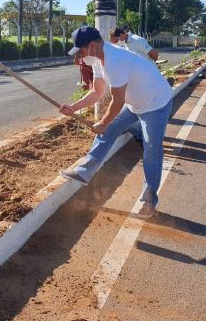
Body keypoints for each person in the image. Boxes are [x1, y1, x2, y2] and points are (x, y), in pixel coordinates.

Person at [59, 26, 173, 219]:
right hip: (135, 103)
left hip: (156, 103)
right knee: (107, 132)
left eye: (81, 51)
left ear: (93, 45)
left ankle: (149, 201)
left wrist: (103, 122)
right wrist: (73, 107)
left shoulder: (116, 60)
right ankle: (84, 172)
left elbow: (117, 100)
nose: (80, 57)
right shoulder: (97, 60)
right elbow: (96, 92)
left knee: (152, 149)